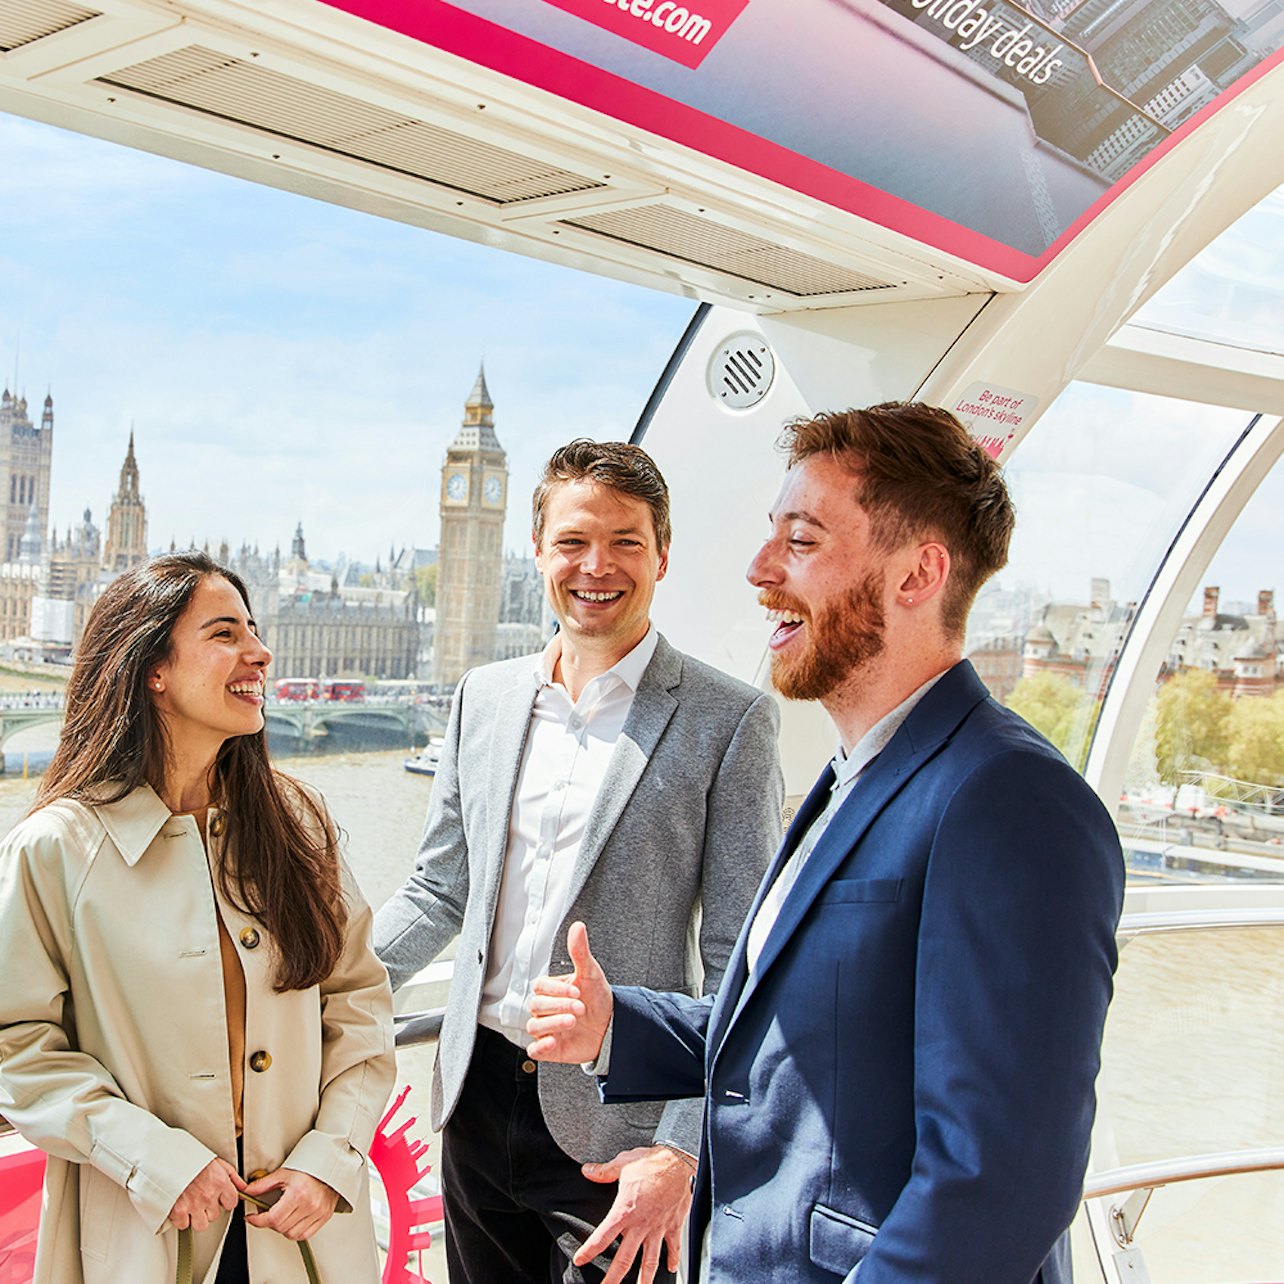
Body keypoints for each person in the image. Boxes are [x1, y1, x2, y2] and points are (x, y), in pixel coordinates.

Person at [527, 404, 1126, 1284]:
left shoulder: (1011, 801)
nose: (759, 569)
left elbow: (1000, 1181)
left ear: (918, 574)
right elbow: (807, 1041)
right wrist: (621, 1025)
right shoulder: (855, 778)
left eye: (800, 543)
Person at [374, 439, 783, 1284]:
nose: (597, 566)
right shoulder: (481, 699)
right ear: (539, 551)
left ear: (661, 555)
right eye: (573, 541)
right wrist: (316, 991)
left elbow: (741, 964)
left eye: (625, 542)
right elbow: (437, 887)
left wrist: (681, 1149)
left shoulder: (729, 721)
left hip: (620, 1131)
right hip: (476, 1099)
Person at [0, 551, 395, 1284]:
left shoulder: (298, 824)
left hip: (302, 1228)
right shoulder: (55, 850)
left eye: (255, 628)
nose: (261, 651)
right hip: (143, 1227)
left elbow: (359, 1005)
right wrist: (150, 1158)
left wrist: (330, 1158)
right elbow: (16, 1047)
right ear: (152, 670)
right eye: (225, 634)